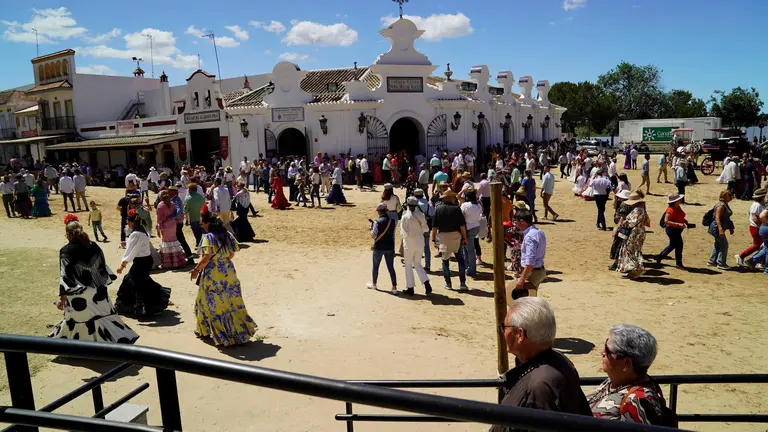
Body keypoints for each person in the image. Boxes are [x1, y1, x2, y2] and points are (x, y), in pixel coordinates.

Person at [490, 298, 591, 432]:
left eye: (504, 326)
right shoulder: (557, 361)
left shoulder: (541, 385)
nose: (503, 332)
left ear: (520, 334)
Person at [49, 215, 139, 343]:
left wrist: (63, 297)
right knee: (104, 317)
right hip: (99, 291)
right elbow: (102, 269)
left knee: (78, 320)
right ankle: (114, 342)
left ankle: (82, 348)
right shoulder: (94, 246)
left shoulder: (66, 251)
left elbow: (65, 275)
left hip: (79, 294)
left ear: (69, 235)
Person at [190, 210, 257, 346]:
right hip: (228, 272)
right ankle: (237, 331)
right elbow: (231, 254)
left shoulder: (208, 237)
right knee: (231, 302)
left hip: (213, 275)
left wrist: (196, 270)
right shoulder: (227, 234)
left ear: (208, 223)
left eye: (202, 222)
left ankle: (208, 331)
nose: (201, 225)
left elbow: (206, 258)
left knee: (207, 302)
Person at [587, 325, 674, 426]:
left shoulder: (638, 401)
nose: (602, 352)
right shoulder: (616, 380)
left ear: (626, 363)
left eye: (608, 349)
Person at [115, 210, 172, 316]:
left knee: (132, 281)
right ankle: (158, 300)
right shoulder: (142, 231)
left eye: (128, 222)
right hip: (146, 260)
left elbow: (132, 252)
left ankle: (140, 307)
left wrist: (122, 266)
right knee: (143, 281)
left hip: (141, 262)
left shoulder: (135, 234)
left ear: (131, 222)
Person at [431, 190, 469, 291]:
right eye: (452, 197)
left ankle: (448, 284)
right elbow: (462, 226)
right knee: (460, 259)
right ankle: (462, 283)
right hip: (456, 237)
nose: (454, 198)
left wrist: (433, 239)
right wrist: (465, 238)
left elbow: (434, 227)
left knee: (445, 261)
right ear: (448, 198)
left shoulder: (438, 209)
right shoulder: (456, 209)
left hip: (443, 237)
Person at [400, 196, 432, 296]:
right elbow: (426, 228)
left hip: (409, 242)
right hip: (420, 240)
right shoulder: (421, 215)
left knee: (408, 265)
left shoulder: (405, 217)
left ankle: (410, 287)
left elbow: (403, 233)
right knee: (417, 263)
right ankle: (426, 284)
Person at [511, 209, 547, 298]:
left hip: (531, 273)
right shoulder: (539, 232)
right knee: (531, 299)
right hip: (539, 270)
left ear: (522, 221)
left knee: (524, 302)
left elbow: (530, 261)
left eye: (516, 222)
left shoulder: (530, 236)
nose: (515, 224)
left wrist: (522, 279)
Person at [616, 191, 650, 279]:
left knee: (629, 250)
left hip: (634, 232)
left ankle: (637, 268)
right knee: (635, 250)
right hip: (640, 231)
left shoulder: (637, 210)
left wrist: (623, 224)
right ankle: (635, 269)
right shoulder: (642, 209)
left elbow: (631, 222)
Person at [367, 202, 398, 294]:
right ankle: (394, 287)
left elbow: (373, 235)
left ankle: (374, 283)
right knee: (391, 268)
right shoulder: (392, 221)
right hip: (390, 246)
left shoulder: (377, 222)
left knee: (375, 266)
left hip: (379, 247)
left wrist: (371, 228)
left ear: (379, 211)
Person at [155, 190, 188, 269]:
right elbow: (177, 214)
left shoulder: (160, 205)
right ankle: (177, 261)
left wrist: (158, 229)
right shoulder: (172, 204)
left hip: (165, 226)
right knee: (174, 242)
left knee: (166, 243)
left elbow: (160, 219)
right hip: (173, 225)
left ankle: (169, 263)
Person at [655, 194, 688, 268]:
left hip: (677, 229)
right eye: (679, 200)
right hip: (672, 230)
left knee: (673, 245)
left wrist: (685, 221)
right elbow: (666, 221)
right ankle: (678, 263)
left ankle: (660, 257)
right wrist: (678, 224)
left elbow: (680, 216)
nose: (680, 200)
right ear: (675, 201)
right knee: (679, 245)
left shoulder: (677, 207)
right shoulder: (670, 210)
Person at [736, 188, 767, 266]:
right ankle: (741, 256)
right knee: (758, 245)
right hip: (756, 228)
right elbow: (755, 218)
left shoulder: (760, 204)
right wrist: (762, 226)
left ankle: (761, 261)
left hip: (756, 227)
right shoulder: (757, 205)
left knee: (762, 245)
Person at [707, 189, 735, 269]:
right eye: (729, 195)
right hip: (717, 228)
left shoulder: (725, 204)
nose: (731, 197)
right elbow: (717, 218)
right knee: (724, 245)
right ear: (724, 195)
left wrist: (730, 228)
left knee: (718, 244)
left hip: (719, 228)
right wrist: (720, 229)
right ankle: (721, 263)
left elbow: (726, 218)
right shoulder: (721, 205)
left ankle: (712, 261)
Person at [461, 189, 484, 276]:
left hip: (467, 229)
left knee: (469, 250)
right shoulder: (478, 205)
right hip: (476, 227)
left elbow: (461, 217)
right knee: (467, 248)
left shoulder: (465, 205)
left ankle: (472, 269)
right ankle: (467, 266)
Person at [168, 186, 194, 264]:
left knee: (181, 240)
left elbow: (179, 210)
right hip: (177, 223)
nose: (168, 192)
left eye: (170, 191)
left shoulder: (176, 200)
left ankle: (190, 258)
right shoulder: (173, 199)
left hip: (177, 223)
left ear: (174, 192)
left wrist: (172, 217)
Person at [414, 189, 434, 272]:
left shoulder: (414, 204)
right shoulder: (428, 203)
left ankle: (416, 263)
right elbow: (433, 213)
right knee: (426, 246)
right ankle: (428, 265)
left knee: (416, 246)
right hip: (427, 226)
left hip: (417, 227)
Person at [184, 183, 205, 247]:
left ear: (190, 190)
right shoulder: (201, 197)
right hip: (201, 217)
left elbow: (185, 210)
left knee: (196, 232)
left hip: (193, 218)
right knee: (201, 231)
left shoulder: (188, 199)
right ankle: (200, 242)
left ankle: (198, 243)